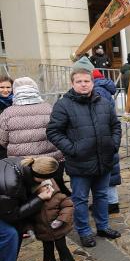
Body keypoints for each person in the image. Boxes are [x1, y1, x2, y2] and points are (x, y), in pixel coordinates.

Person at [46, 68, 121, 248]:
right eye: (79, 81)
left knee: (102, 195)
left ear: (92, 83)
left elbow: (115, 125)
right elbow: (53, 131)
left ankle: (103, 226)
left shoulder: (103, 102)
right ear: (72, 84)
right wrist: (72, 149)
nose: (83, 84)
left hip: (103, 159)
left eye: (86, 81)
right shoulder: (63, 105)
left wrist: (113, 144)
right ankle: (84, 231)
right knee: (80, 199)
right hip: (79, 163)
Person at [0, 156, 56, 261]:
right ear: (39, 177)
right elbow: (13, 215)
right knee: (10, 234)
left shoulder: (25, 163)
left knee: (17, 230)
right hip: (5, 208)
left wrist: (42, 185)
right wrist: (40, 198)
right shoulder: (11, 185)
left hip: (4, 204)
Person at [0, 77, 65, 193]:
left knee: (29, 193)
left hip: (22, 163)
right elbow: (58, 132)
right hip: (49, 160)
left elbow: (3, 140)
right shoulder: (48, 108)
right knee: (53, 192)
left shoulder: (8, 113)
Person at [31, 170, 77, 261]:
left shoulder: (58, 196)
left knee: (62, 246)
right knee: (47, 249)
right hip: (43, 230)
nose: (48, 189)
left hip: (58, 229)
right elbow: (29, 217)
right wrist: (29, 229)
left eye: (48, 186)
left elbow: (68, 206)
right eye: (44, 187)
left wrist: (61, 219)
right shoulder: (34, 202)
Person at [92, 69, 123, 213]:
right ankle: (111, 201)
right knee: (110, 170)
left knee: (107, 171)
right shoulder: (105, 88)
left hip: (104, 137)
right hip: (107, 136)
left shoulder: (97, 90)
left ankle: (110, 202)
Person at [0, 75, 13, 159]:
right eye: (1, 87)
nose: (5, 90)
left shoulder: (16, 101)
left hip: (14, 144)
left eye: (8, 87)